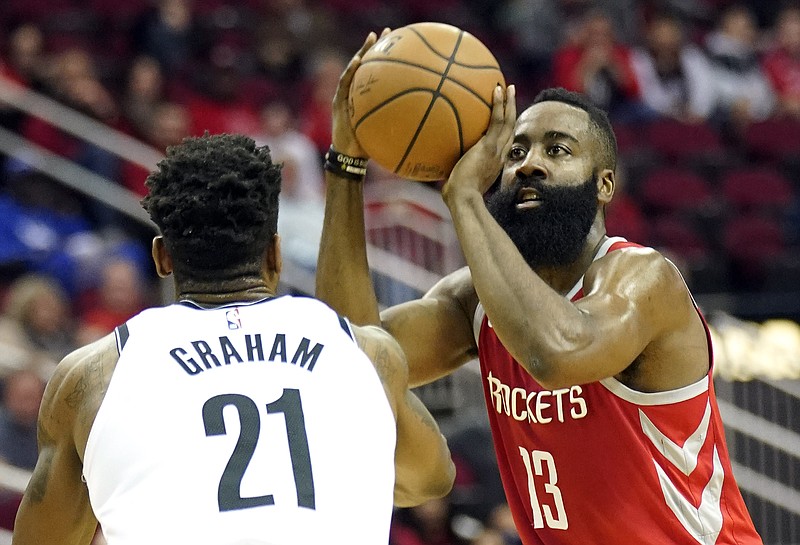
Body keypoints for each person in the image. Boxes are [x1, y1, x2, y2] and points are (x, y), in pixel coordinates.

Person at [316, 32, 764, 544]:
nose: (529, 163)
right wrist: (345, 166)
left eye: (558, 150)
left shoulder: (644, 278)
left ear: (604, 184)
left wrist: (464, 198)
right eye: (515, 151)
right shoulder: (475, 302)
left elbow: (555, 355)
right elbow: (352, 359)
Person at [12, 133, 455, 545]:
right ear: (276, 254)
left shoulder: (90, 377)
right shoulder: (366, 351)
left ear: (162, 258)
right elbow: (430, 479)